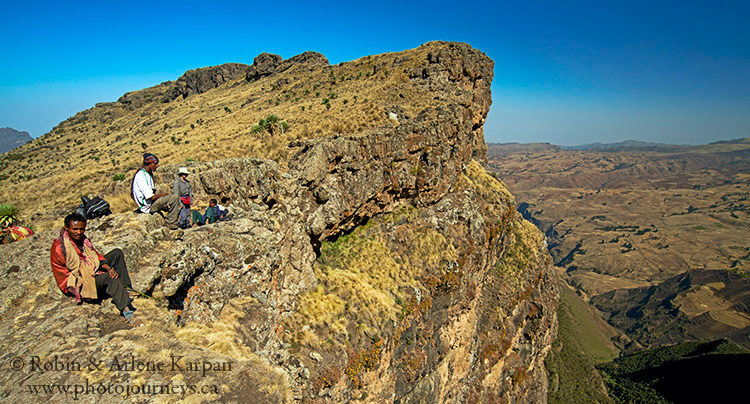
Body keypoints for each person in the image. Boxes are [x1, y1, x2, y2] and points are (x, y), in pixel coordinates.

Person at [50, 213, 138, 324]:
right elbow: (77, 270)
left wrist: (108, 268)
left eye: (82, 229)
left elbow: (95, 256)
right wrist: (101, 272)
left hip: (89, 267)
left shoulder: (83, 240)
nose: (79, 232)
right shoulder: (60, 247)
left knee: (117, 253)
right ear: (67, 228)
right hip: (76, 279)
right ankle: (127, 310)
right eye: (75, 229)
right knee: (108, 278)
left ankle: (126, 289)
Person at [131, 153, 183, 232]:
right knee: (175, 197)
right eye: (155, 163)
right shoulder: (142, 176)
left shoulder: (145, 174)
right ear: (149, 164)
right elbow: (150, 196)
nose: (157, 165)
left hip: (148, 203)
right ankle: (171, 223)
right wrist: (162, 195)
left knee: (171, 200)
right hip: (147, 206)